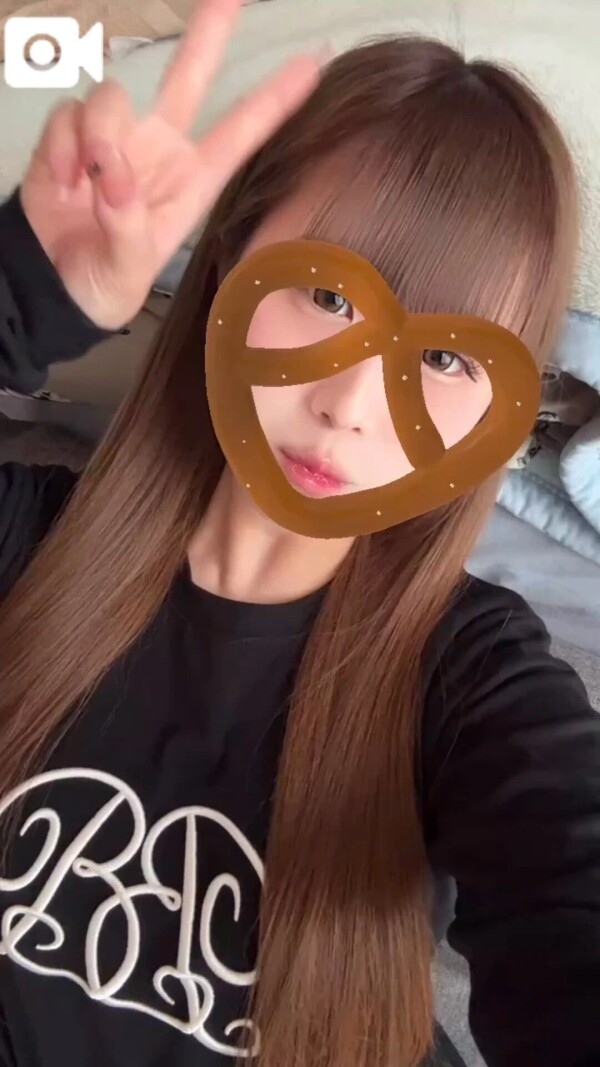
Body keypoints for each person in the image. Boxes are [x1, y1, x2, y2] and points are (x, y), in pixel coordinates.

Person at [0, 0, 598, 1065]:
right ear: (229, 262)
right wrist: (19, 294)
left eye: (445, 358)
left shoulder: (471, 681)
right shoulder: (26, 543)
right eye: (325, 293)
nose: (350, 405)